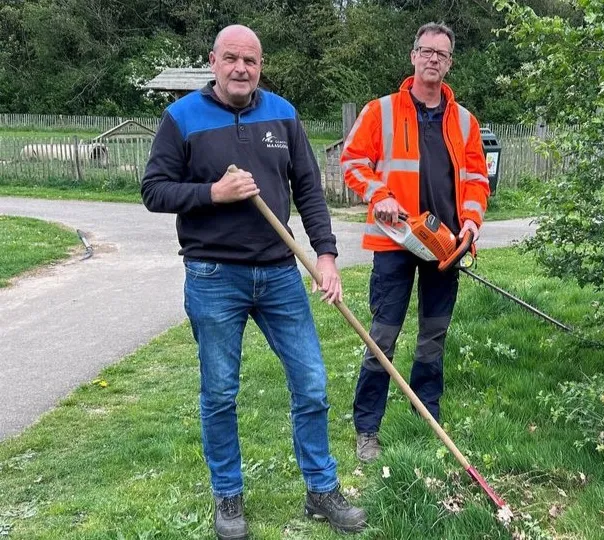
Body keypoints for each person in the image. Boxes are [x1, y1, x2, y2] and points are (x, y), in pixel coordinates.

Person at [141, 24, 366, 539]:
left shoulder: (283, 114)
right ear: (213, 62)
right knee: (220, 392)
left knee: (311, 383)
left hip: (280, 273)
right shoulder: (181, 119)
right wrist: (212, 193)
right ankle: (229, 496)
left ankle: (320, 489)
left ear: (260, 65)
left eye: (251, 60)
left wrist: (326, 255)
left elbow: (308, 188)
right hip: (213, 275)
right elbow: (154, 191)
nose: (241, 68)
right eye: (231, 59)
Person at [340, 22, 490, 463]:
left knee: (434, 334)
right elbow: (352, 162)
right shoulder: (380, 111)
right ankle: (367, 427)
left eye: (441, 54)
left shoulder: (464, 121)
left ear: (449, 63)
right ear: (413, 56)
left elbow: (478, 179)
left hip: (445, 245)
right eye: (426, 51)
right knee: (382, 335)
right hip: (395, 241)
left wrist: (472, 223)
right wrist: (379, 195)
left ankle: (428, 414)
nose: (433, 60)